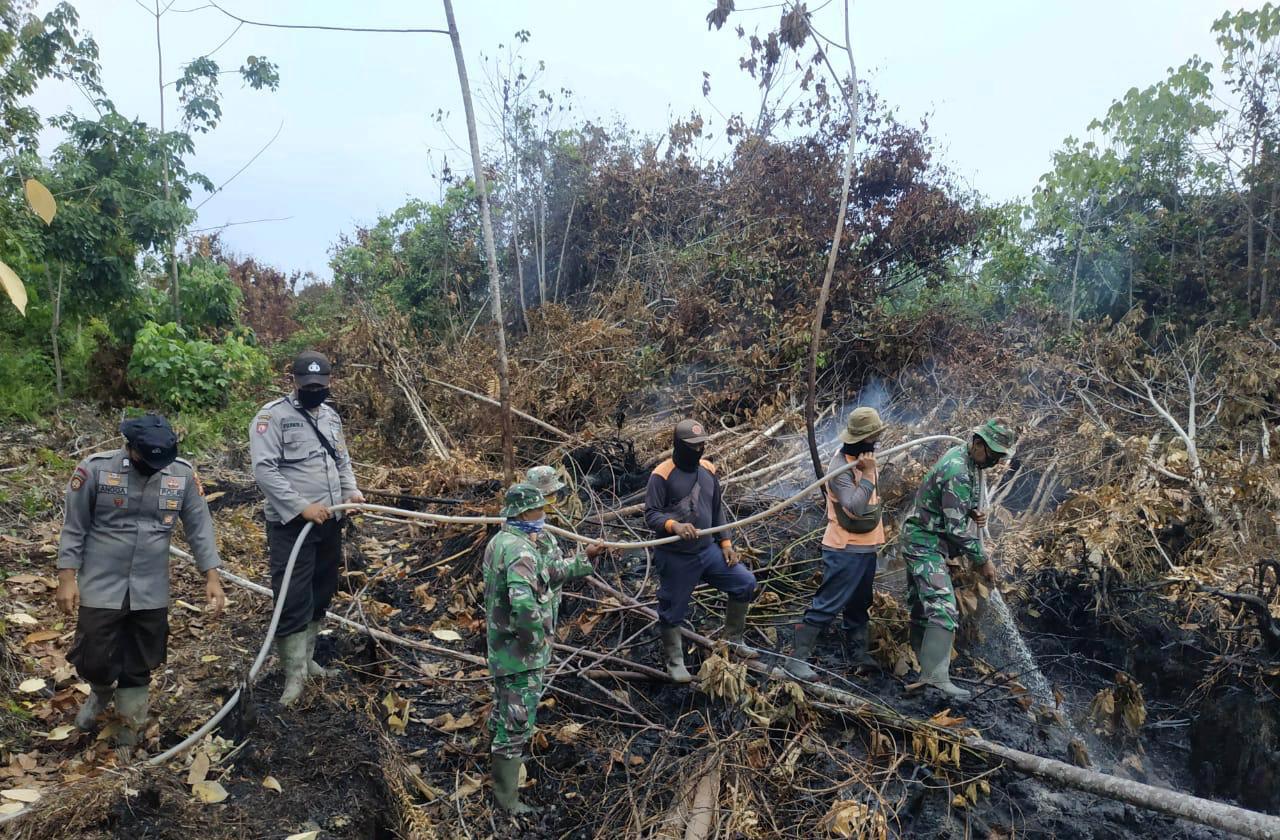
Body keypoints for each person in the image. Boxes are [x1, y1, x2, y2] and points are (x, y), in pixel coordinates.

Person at [55, 414, 225, 750]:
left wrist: (212, 575)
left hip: (150, 586)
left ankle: (127, 736)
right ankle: (101, 692)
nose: (153, 467)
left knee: (141, 660)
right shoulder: (95, 470)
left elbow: (199, 527)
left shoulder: (181, 474)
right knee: (94, 656)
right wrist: (66, 577)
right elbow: (74, 527)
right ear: (130, 448)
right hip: (101, 581)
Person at [249, 351, 364, 706]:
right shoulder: (272, 417)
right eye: (308, 385)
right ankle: (293, 675)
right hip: (291, 526)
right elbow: (264, 470)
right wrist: (302, 507)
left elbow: (341, 460)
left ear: (329, 382)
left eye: (320, 385)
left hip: (330, 521)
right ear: (294, 381)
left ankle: (308, 660)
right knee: (293, 596)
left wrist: (350, 490)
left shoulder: (330, 416)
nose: (315, 390)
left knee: (322, 589)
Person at [484, 483, 602, 813]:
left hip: (502, 649)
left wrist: (584, 559)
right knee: (517, 723)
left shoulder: (501, 541)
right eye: (538, 509)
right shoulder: (521, 551)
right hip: (521, 656)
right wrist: (536, 642)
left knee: (503, 708)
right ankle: (507, 799)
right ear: (524, 513)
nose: (543, 514)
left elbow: (545, 574)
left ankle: (495, 765)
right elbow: (523, 604)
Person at [901, 418, 1015, 700]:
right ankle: (934, 678)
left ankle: (919, 664)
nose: (994, 462)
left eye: (999, 457)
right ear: (978, 444)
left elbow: (954, 505)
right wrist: (983, 559)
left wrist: (972, 512)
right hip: (924, 542)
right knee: (943, 607)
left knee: (922, 606)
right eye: (993, 455)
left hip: (928, 540)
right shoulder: (959, 471)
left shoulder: (969, 460)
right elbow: (956, 530)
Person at [644, 419, 757, 683]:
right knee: (672, 609)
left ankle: (733, 640)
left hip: (708, 551)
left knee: (744, 582)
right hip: (676, 556)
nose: (698, 450)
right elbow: (651, 514)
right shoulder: (662, 474)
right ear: (678, 444)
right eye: (692, 446)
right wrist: (674, 525)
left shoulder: (707, 469)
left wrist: (726, 544)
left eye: (701, 445)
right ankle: (675, 662)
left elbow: (717, 509)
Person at [785, 407, 887, 680]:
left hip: (866, 547)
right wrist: (867, 475)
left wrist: (868, 470)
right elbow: (854, 507)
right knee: (828, 603)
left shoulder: (865, 459)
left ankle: (858, 656)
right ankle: (797, 659)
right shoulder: (841, 468)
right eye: (873, 438)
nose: (876, 442)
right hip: (844, 549)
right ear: (861, 439)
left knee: (859, 604)